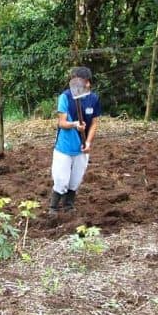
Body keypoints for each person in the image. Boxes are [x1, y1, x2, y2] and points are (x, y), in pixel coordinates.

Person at [49, 66, 102, 214]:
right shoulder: (65, 97)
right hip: (64, 147)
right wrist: (74, 124)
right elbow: (62, 123)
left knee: (75, 181)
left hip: (82, 147)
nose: (76, 84)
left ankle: (69, 205)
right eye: (74, 81)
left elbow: (94, 123)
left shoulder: (94, 99)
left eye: (80, 81)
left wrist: (89, 143)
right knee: (61, 180)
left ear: (87, 83)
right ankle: (53, 208)